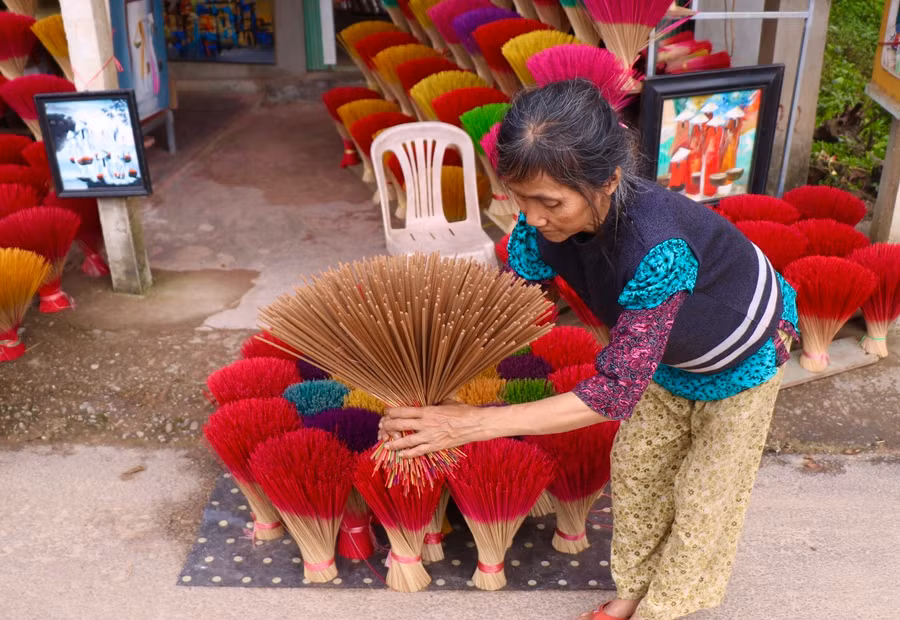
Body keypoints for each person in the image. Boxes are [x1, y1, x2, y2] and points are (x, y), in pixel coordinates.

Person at [379, 79, 798, 620]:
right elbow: (515, 307)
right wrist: (432, 378)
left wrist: (469, 424)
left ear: (610, 180)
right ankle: (631, 592)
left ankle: (662, 611)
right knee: (638, 468)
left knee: (704, 500)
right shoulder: (538, 228)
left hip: (743, 353)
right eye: (518, 198)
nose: (531, 217)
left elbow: (612, 393)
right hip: (660, 357)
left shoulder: (657, 246)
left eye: (549, 201)